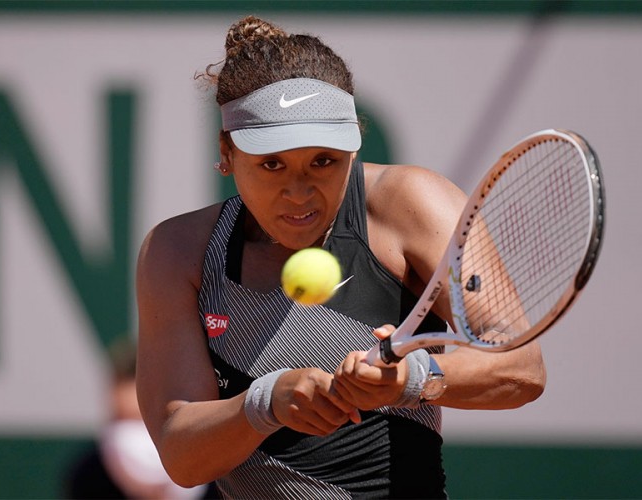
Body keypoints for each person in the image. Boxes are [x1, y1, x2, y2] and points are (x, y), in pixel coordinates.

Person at [136, 15, 546, 499]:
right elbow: (182, 456)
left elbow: (521, 367)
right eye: (272, 164)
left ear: (353, 148)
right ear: (227, 153)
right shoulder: (178, 251)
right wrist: (265, 403)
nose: (299, 191)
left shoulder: (411, 203)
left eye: (323, 161)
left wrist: (412, 379)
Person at [64, 338, 217, 499]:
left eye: (142, 424)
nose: (129, 440)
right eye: (121, 421)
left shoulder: (223, 476)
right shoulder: (87, 478)